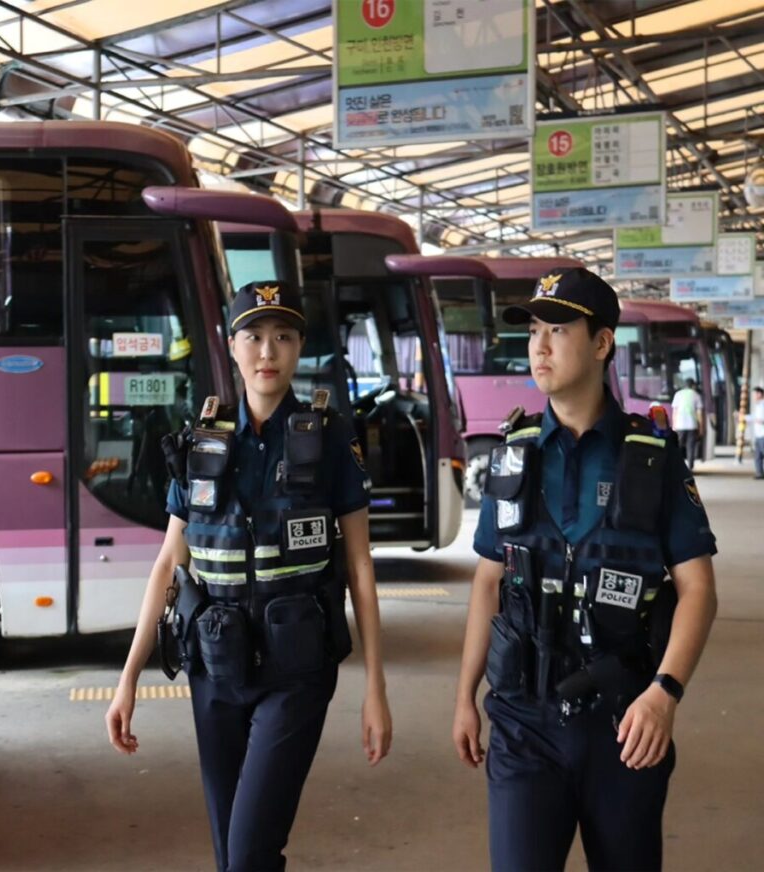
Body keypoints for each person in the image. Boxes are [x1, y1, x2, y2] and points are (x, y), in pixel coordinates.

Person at [105, 280, 392, 872]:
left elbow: (360, 564)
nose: (268, 351)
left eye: (283, 337)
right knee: (228, 852)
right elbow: (169, 563)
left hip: (297, 671)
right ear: (231, 346)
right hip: (214, 666)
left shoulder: (329, 438)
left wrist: (376, 688)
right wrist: (128, 678)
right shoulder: (200, 442)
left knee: (249, 854)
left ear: (300, 347)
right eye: (254, 337)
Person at [451, 268, 718, 872]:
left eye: (558, 330)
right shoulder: (513, 454)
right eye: (533, 331)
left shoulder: (650, 459)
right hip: (523, 720)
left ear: (601, 343)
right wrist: (465, 696)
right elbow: (489, 580)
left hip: (624, 724)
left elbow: (698, 589)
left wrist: (665, 693)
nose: (539, 346)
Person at [671, 377, 703, 470]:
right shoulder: (696, 395)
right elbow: (699, 414)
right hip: (692, 425)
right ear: (693, 385)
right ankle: (690, 467)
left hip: (680, 425)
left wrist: (673, 425)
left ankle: (677, 466)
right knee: (690, 447)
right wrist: (701, 427)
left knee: (678, 446)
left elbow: (675, 412)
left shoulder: (678, 394)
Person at [752, 386, 764, 479]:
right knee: (757, 455)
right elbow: (754, 417)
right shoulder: (758, 405)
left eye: (755, 394)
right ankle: (759, 473)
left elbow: (760, 419)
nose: (753, 396)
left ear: (760, 394)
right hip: (758, 434)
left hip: (763, 434)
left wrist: (759, 420)